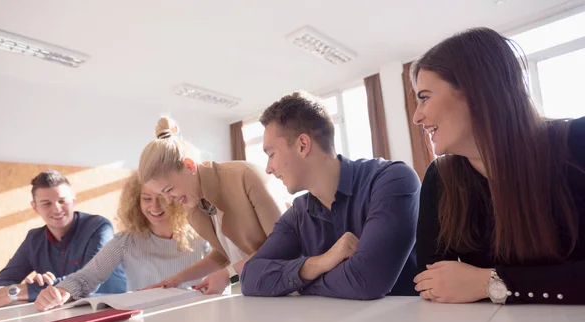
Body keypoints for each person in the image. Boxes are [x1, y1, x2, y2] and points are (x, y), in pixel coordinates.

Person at [412, 27, 585, 304]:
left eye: (424, 97)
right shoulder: (440, 177)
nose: (417, 117)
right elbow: (431, 282)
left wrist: (491, 282)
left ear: (474, 90)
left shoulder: (577, 143)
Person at [240, 91, 420, 300]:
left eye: (271, 154)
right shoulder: (299, 213)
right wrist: (319, 263)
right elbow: (250, 277)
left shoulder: (392, 179)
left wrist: (300, 285)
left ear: (302, 145)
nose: (268, 169)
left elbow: (366, 281)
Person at [140, 117, 284, 295]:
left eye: (169, 190)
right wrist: (177, 280)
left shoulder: (245, 177)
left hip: (287, 288)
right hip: (253, 291)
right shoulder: (194, 204)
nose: (169, 200)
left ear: (189, 165)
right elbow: (223, 254)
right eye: (163, 194)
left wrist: (228, 275)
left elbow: (283, 246)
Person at [34, 172, 209, 311]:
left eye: (162, 198)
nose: (154, 207)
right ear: (136, 201)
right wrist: (60, 292)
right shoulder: (125, 242)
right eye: (147, 198)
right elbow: (86, 278)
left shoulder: (204, 239)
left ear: (177, 199)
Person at [0, 170, 126, 310]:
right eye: (46, 203)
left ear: (73, 200)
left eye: (62, 201)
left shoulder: (99, 227)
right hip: (64, 313)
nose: (57, 209)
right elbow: (2, 283)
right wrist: (32, 287)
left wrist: (18, 291)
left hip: (113, 310)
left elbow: (87, 281)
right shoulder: (33, 239)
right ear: (34, 207)